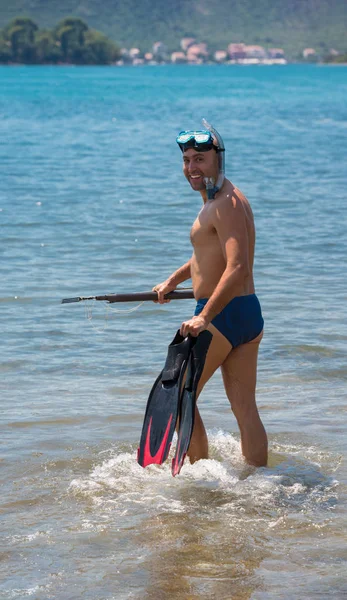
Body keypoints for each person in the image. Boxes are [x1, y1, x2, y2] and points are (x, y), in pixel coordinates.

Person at [152, 123, 267, 467]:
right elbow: (206, 257)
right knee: (245, 408)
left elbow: (237, 267)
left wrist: (204, 317)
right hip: (245, 314)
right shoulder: (223, 199)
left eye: (199, 159)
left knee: (180, 398)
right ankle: (258, 481)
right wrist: (172, 281)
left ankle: (197, 476)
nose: (191, 167)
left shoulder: (224, 205)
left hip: (221, 315)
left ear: (219, 159)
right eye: (187, 160)